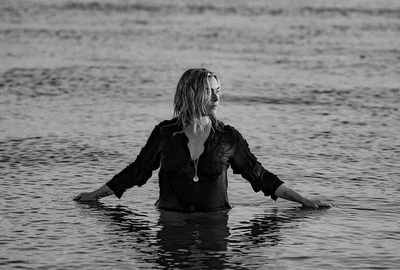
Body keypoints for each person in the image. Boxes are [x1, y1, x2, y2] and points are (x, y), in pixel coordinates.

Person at [74, 68, 331, 211]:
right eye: (209, 93)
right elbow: (136, 172)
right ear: (191, 95)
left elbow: (261, 176)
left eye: (218, 92)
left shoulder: (228, 138)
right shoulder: (165, 134)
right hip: (171, 224)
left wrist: (304, 201)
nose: (217, 99)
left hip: (215, 225)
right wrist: (95, 195)